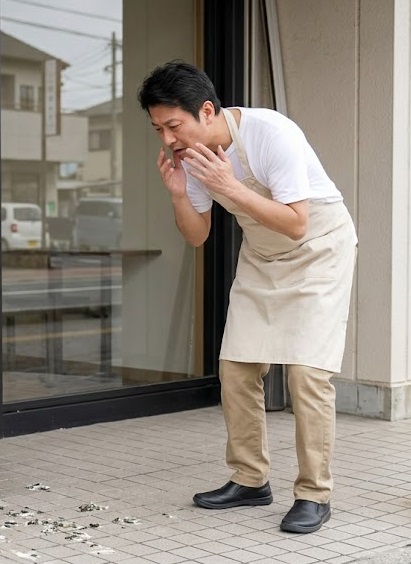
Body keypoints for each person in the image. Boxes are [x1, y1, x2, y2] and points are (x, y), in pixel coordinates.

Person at [137, 60, 357, 534]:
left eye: (173, 126)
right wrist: (179, 194)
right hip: (261, 254)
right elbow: (197, 236)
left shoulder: (271, 134)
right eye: (158, 130)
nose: (168, 139)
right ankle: (250, 479)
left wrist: (228, 186)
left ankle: (314, 493)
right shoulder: (189, 158)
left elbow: (297, 222)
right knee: (236, 368)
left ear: (207, 111)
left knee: (307, 373)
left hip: (319, 249)